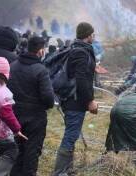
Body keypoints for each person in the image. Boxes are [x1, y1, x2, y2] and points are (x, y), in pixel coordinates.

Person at [52, 22, 98, 175]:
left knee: (72, 133)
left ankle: (68, 170)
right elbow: (82, 79)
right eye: (93, 34)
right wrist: (90, 100)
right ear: (88, 35)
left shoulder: (77, 49)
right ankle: (59, 172)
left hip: (72, 99)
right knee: (71, 135)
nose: (94, 36)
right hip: (75, 100)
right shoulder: (81, 52)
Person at [8, 36, 55, 176]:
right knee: (32, 153)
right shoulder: (41, 70)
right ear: (40, 51)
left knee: (17, 151)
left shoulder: (13, 66)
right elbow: (48, 98)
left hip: (15, 116)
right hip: (35, 119)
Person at [0, 57, 27, 176]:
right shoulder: (2, 92)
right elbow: (7, 115)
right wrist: (17, 129)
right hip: (0, 133)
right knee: (11, 150)